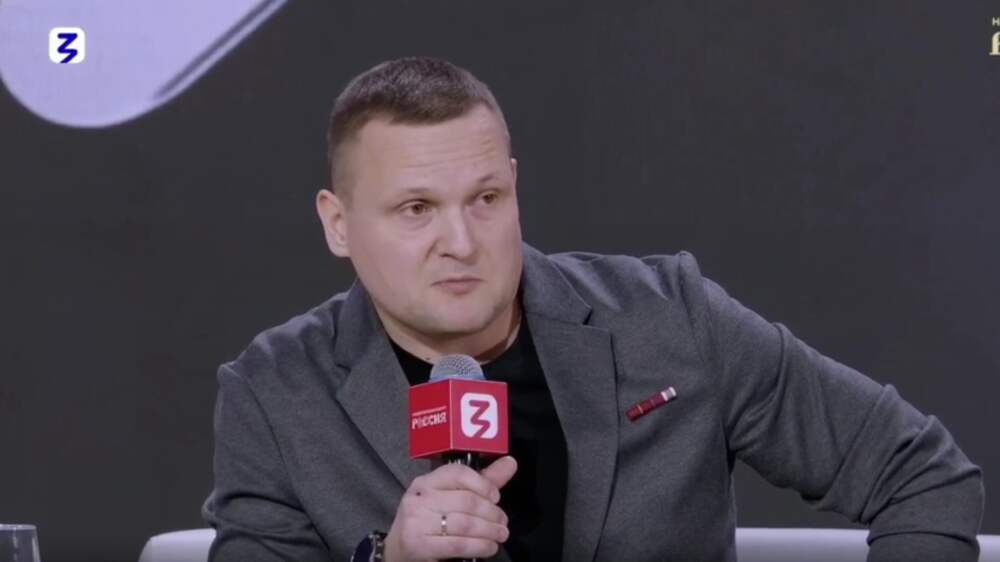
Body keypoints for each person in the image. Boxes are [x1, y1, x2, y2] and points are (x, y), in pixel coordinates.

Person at [201, 56, 984, 562]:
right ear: (338, 224)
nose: (461, 242)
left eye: (486, 199)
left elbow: (921, 474)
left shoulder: (671, 319)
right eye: (416, 209)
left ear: (514, 187)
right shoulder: (275, 392)